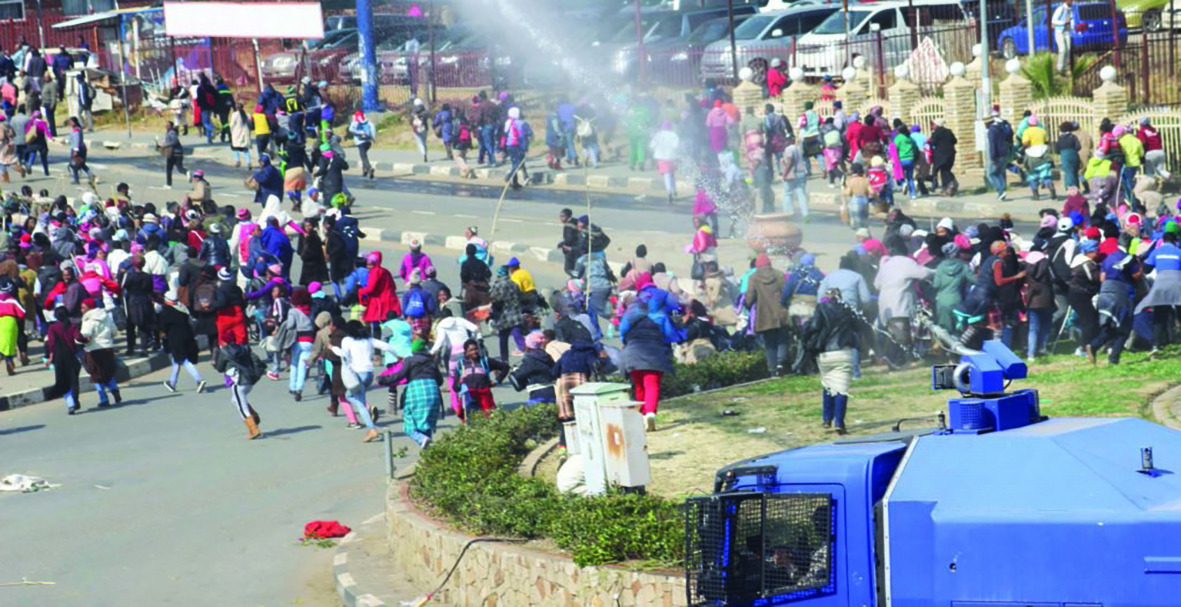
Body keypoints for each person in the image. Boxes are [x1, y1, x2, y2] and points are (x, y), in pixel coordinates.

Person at [620, 290, 683, 431]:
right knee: (652, 384)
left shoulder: (630, 317)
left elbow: (622, 332)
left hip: (633, 354)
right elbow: (670, 335)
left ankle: (641, 415)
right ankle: (650, 413)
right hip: (655, 354)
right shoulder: (660, 316)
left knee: (639, 386)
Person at [801, 288, 858, 434]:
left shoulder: (821, 308)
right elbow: (857, 327)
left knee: (828, 384)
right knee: (841, 388)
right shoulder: (847, 309)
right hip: (843, 351)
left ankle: (827, 419)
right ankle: (839, 422)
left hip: (825, 353)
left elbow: (814, 327)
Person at [382, 338, 444, 447]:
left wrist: (383, 380)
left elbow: (399, 375)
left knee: (409, 426)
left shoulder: (409, 360)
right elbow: (440, 381)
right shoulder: (431, 362)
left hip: (416, 392)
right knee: (426, 424)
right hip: (433, 393)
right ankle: (428, 452)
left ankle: (421, 439)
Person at [1136, 227, 1181, 352]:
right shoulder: (1179, 251)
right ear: (1175, 241)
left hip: (1161, 285)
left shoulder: (1156, 252)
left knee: (1160, 314)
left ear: (1163, 240)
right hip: (1177, 283)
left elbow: (1146, 270)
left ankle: (1155, 345)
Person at [213, 335, 266, 439]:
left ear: (222, 342)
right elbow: (255, 359)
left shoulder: (224, 352)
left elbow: (219, 367)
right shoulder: (243, 348)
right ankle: (253, 415)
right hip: (249, 381)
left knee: (242, 408)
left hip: (239, 382)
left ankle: (254, 430)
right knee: (235, 400)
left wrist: (215, 363)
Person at [745, 254, 791, 375]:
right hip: (781, 312)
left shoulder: (753, 278)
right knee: (782, 340)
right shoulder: (779, 274)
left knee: (769, 343)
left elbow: (749, 297)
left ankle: (772, 369)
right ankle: (781, 363)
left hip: (764, 314)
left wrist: (748, 306)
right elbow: (786, 293)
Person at [159, 292, 206, 393]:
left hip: (176, 338)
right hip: (187, 335)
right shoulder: (182, 307)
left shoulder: (167, 311)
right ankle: (172, 383)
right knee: (177, 359)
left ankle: (199, 379)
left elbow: (163, 326)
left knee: (183, 359)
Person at [451, 338, 509, 419]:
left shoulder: (485, 361)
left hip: (484, 396)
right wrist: (460, 382)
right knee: (472, 421)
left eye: (476, 349)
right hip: (469, 398)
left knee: (490, 419)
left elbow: (505, 367)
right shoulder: (461, 365)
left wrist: (497, 381)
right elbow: (455, 388)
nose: (474, 352)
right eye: (471, 350)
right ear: (466, 352)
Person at [45, 307, 84, 415]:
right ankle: (75, 400)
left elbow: (51, 344)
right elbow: (79, 338)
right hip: (71, 355)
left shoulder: (52, 328)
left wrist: (50, 357)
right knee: (73, 380)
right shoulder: (72, 326)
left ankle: (70, 404)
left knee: (63, 381)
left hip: (59, 357)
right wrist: (86, 339)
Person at [1068, 239, 1102, 357]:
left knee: (1085, 320)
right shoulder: (1087, 264)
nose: (1098, 252)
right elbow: (1096, 279)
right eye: (1096, 250)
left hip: (1074, 294)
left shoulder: (1076, 261)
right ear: (1089, 252)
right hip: (1081, 294)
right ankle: (1083, 347)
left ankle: (1084, 344)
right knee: (1090, 321)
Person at [358, 251, 400, 336]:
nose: (369, 267)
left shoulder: (375, 272)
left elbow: (370, 289)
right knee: (389, 323)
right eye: (368, 264)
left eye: (371, 264)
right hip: (389, 300)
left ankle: (377, 346)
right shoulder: (385, 271)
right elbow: (393, 286)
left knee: (376, 324)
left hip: (379, 302)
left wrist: (361, 291)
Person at [490, 264, 527, 362]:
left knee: (503, 340)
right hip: (515, 315)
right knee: (518, 335)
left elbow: (494, 299)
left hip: (504, 317)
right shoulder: (514, 284)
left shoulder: (498, 286)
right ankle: (526, 355)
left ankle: (504, 360)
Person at [509, 331, 557, 405]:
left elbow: (520, 374)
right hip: (551, 389)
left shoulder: (530, 359)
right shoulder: (546, 356)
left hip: (537, 391)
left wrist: (515, 370)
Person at [650, 121, 680, 205]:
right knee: (672, 174)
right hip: (672, 157)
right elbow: (676, 146)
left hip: (661, 157)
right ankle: (674, 190)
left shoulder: (658, 134)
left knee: (666, 175)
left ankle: (669, 191)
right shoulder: (674, 135)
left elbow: (652, 145)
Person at [0, 279, 25, 375]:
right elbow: (22, 312)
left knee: (2, 344)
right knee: (10, 344)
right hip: (10, 321)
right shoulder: (12, 300)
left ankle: (6, 360)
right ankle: (9, 363)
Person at [782, 134, 809, 222]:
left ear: (790, 140)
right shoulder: (797, 148)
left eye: (786, 140)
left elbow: (790, 161)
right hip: (801, 173)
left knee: (787, 194)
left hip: (792, 174)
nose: (785, 141)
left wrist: (785, 174)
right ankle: (805, 215)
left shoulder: (789, 149)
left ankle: (789, 214)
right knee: (801, 194)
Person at [66, 117, 94, 185]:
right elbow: (71, 139)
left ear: (75, 122)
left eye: (71, 122)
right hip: (79, 148)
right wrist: (66, 141)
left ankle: (76, 179)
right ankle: (91, 176)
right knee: (81, 164)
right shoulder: (76, 129)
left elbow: (77, 141)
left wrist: (76, 151)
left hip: (78, 149)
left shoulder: (76, 130)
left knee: (74, 164)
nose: (70, 123)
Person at [160, 121, 186, 188]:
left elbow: (174, 142)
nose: (166, 126)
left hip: (175, 153)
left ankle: (169, 184)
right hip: (173, 153)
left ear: (171, 126)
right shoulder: (169, 132)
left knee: (173, 169)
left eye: (168, 125)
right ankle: (169, 184)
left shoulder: (172, 132)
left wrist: (166, 145)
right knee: (175, 169)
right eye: (166, 125)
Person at [1051, 0, 1075, 72]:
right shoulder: (1060, 9)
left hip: (1066, 31)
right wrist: (1063, 22)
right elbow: (1054, 21)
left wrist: (1072, 27)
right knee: (1062, 49)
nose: (1071, 1)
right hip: (1059, 31)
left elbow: (1071, 19)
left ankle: (1064, 67)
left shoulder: (1070, 10)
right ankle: (1059, 68)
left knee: (1068, 49)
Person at [229, 102, 253, 169]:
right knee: (245, 149)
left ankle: (237, 161)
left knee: (236, 148)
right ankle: (248, 162)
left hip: (237, 133)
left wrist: (230, 132)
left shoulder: (234, 115)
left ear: (236, 108)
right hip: (245, 133)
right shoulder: (248, 114)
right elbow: (250, 124)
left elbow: (231, 125)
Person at [410, 98, 430, 162]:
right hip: (424, 128)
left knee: (419, 142)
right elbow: (428, 115)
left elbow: (410, 120)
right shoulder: (425, 111)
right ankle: (425, 153)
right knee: (424, 142)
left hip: (416, 128)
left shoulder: (413, 112)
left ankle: (423, 153)